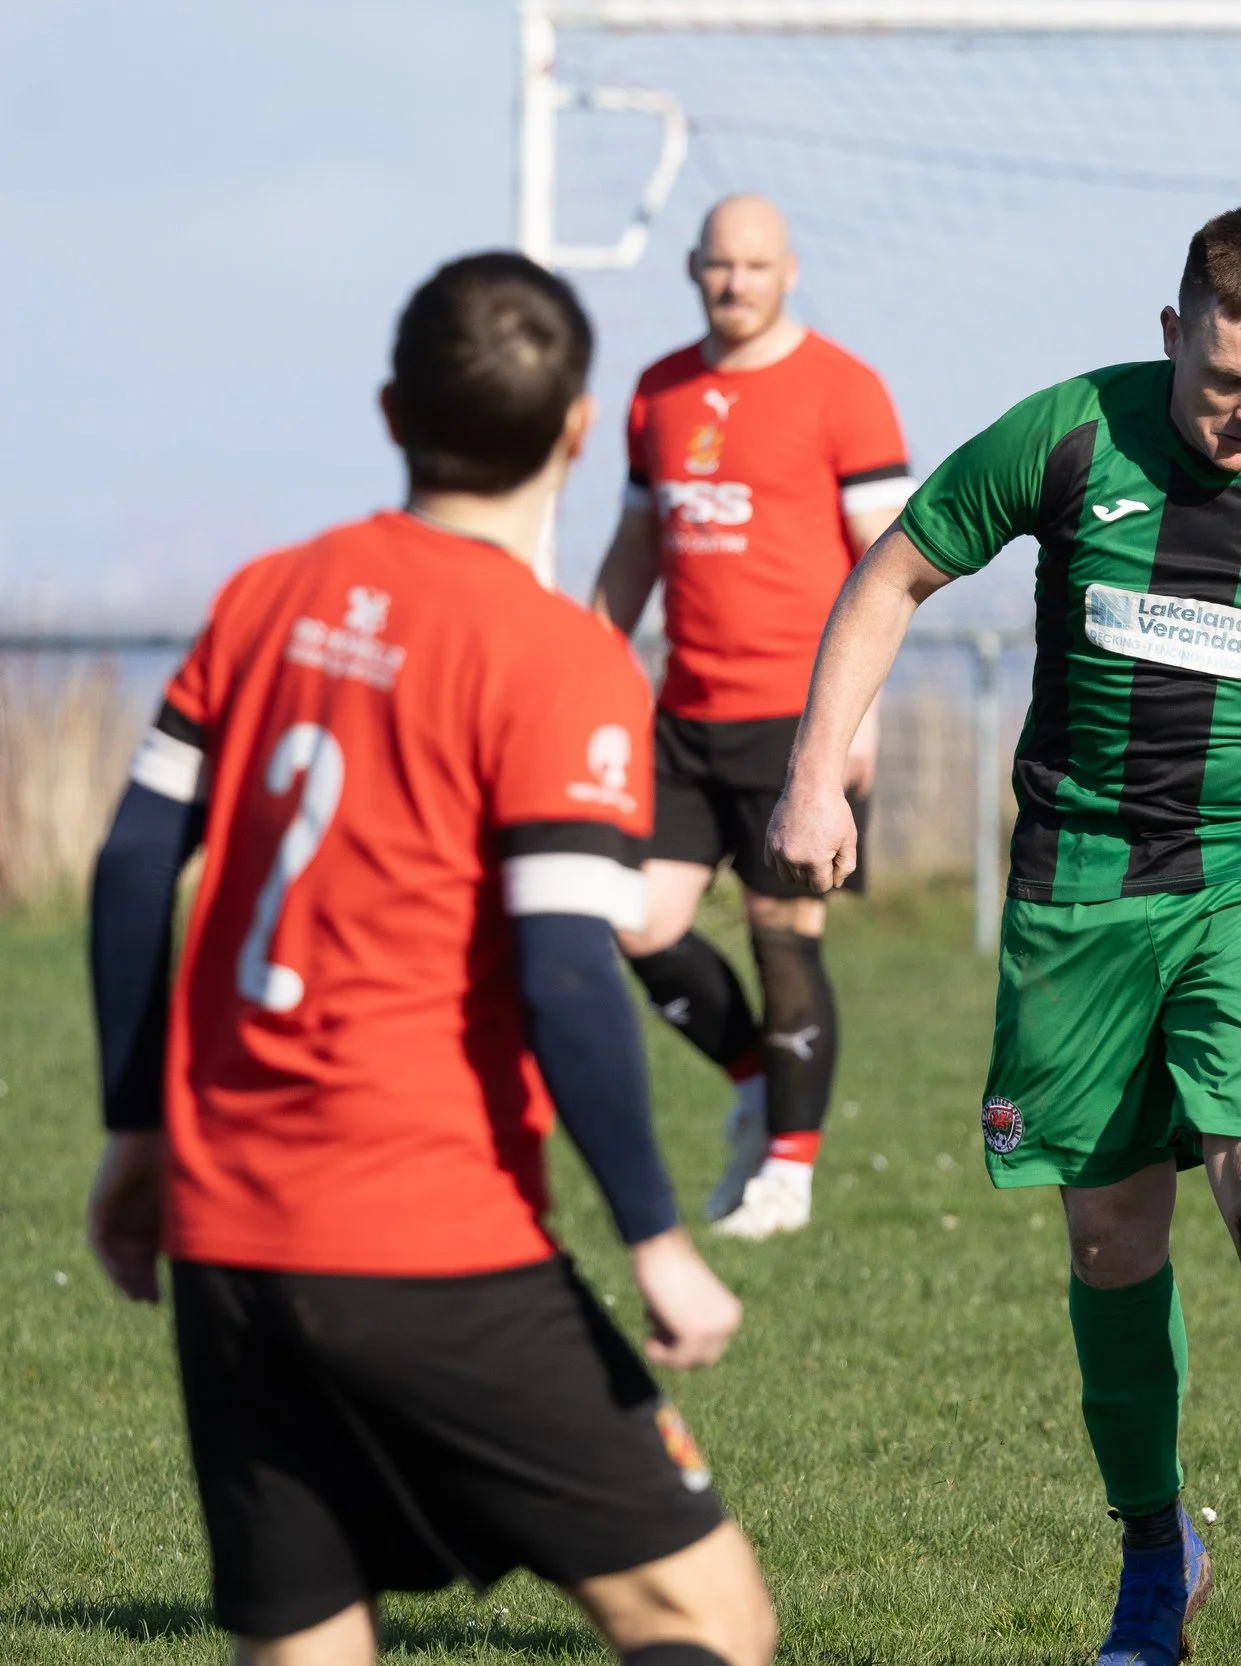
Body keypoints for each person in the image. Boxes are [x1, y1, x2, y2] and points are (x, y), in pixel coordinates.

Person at [765, 202, 1241, 1666]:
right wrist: (811, 772)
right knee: (1111, 1238)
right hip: (1082, 888)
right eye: (1230, 379)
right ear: (1175, 334)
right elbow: (894, 572)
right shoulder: (1069, 436)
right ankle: (1158, 1555)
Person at [83, 254, 775, 1666]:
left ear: (392, 407)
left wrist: (132, 1131)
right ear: (582, 429)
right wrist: (655, 1238)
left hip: (231, 1234)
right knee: (704, 1615)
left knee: (310, 1639)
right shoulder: (556, 656)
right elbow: (568, 965)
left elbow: (135, 861)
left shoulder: (269, 594)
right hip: (425, 1235)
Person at [592, 193, 916, 1239]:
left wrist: (854, 719)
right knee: (637, 921)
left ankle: (788, 1169)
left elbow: (892, 567)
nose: (734, 283)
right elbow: (635, 553)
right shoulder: (657, 392)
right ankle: (749, 1080)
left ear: (788, 268)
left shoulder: (846, 388)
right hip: (683, 716)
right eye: (717, 265)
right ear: (692, 269)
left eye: (754, 265)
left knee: (785, 935)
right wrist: (586, 669)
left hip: (797, 720)